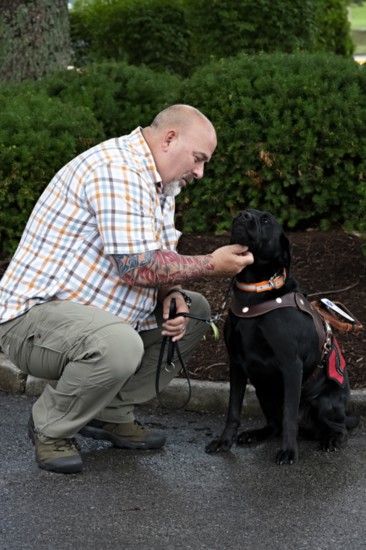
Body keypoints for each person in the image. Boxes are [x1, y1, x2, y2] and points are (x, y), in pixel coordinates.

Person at [0, 104, 253, 474]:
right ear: (170, 138)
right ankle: (51, 427)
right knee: (119, 344)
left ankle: (108, 413)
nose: (200, 172)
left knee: (192, 309)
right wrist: (214, 264)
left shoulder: (162, 183)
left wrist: (172, 294)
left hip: (96, 320)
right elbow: (137, 267)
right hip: (32, 321)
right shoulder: (117, 170)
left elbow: (162, 257)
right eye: (198, 159)